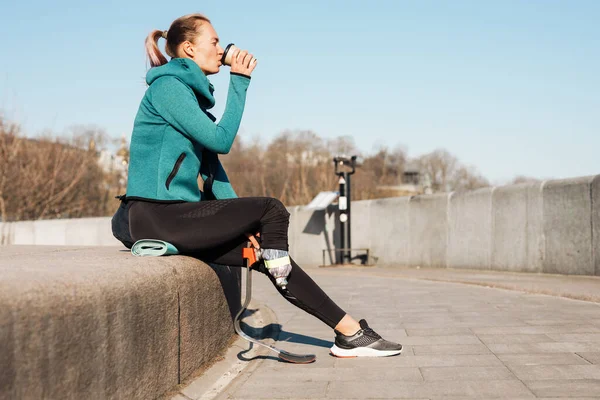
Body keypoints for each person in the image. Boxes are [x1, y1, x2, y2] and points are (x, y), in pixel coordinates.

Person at [125, 13, 402, 358]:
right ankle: (285, 269)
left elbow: (213, 169)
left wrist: (245, 227)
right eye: (213, 41)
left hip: (176, 218)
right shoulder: (169, 89)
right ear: (189, 49)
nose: (220, 48)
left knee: (258, 254)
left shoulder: (189, 97)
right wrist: (239, 81)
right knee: (272, 209)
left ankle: (350, 333)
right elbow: (221, 140)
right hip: (158, 215)